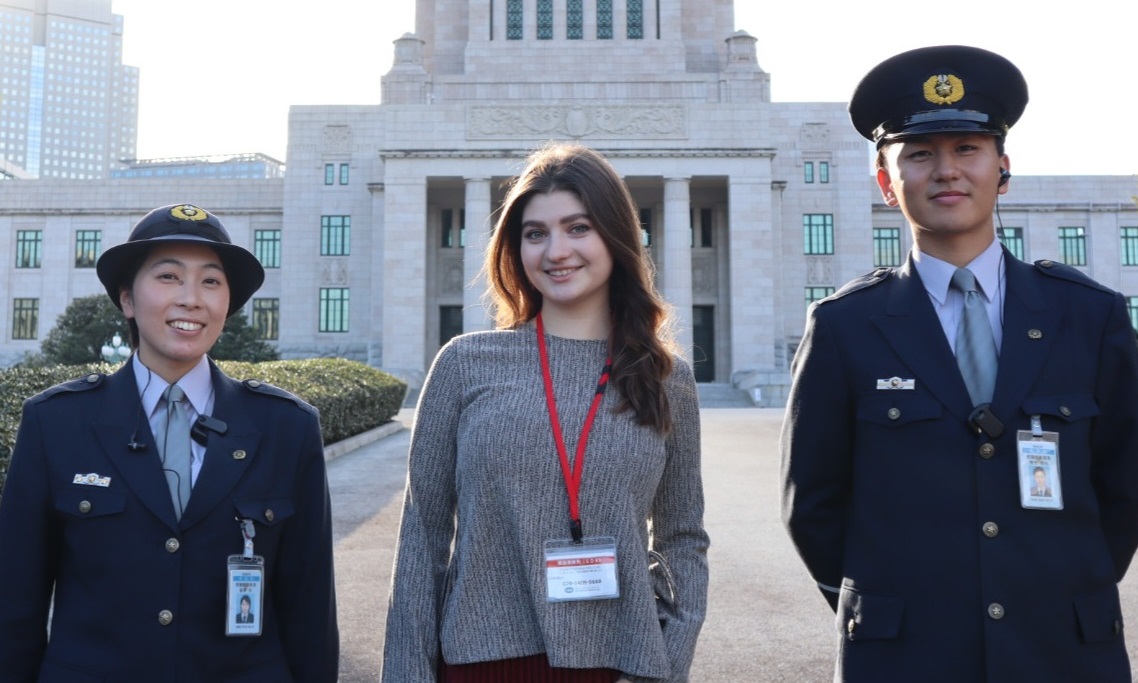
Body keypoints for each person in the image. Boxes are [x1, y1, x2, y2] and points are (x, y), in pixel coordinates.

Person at [780, 45, 1138, 682]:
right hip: (907, 652)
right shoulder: (844, 327)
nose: (946, 171)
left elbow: (1126, 484)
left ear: (1003, 169)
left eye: (967, 149)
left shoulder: (1090, 317)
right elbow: (813, 503)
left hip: (1061, 647)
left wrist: (1056, 579)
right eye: (919, 155)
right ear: (888, 184)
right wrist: (886, 604)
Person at [381, 143, 709, 682]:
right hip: (480, 665)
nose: (556, 250)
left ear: (616, 235)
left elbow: (682, 537)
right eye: (536, 233)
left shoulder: (665, 379)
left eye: (578, 227)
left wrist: (668, 665)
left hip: (619, 667)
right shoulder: (465, 365)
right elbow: (421, 538)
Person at [0, 204, 339, 682]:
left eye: (210, 281)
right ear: (127, 299)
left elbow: (310, 609)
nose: (191, 299)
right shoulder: (56, 422)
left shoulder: (286, 427)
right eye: (167, 277)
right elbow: (15, 603)